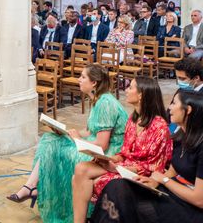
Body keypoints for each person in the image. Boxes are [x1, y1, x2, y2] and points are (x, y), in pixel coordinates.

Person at [6, 64, 127, 222]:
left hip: (107, 155)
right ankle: (31, 186)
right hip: (95, 146)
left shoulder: (105, 103)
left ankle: (33, 189)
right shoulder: (98, 99)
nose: (79, 79)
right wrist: (68, 132)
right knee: (50, 138)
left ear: (94, 83)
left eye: (83, 77)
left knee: (56, 150)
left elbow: (102, 145)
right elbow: (90, 132)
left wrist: (77, 138)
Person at [91, 90, 203, 222]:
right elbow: (172, 170)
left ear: (188, 109)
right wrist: (154, 181)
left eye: (174, 103)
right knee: (117, 186)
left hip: (190, 206)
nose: (169, 107)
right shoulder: (180, 137)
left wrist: (164, 180)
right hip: (174, 191)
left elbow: (199, 199)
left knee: (131, 205)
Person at [71, 76, 172, 222]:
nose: (126, 90)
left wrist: (116, 168)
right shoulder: (133, 119)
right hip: (124, 165)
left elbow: (155, 167)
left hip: (141, 174)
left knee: (82, 179)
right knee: (80, 168)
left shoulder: (159, 126)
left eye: (130, 87)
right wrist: (109, 159)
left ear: (141, 95)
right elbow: (124, 153)